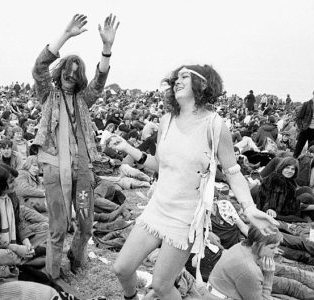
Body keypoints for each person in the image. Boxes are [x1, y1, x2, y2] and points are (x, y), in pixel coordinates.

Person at [109, 64, 277, 300]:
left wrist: (250, 209)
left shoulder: (215, 125)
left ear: (203, 84)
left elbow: (233, 172)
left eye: (184, 77)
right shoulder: (165, 120)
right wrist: (128, 148)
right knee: (122, 268)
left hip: (186, 218)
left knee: (161, 285)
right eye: (176, 78)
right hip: (158, 208)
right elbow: (161, 164)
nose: (177, 81)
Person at [31, 14, 119, 281]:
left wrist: (106, 49)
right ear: (61, 72)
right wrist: (66, 35)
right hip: (55, 171)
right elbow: (39, 68)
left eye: (75, 72)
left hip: (82, 172)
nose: (70, 75)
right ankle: (53, 277)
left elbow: (100, 81)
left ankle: (76, 261)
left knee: (84, 224)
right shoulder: (48, 93)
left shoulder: (84, 99)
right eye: (67, 70)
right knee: (58, 228)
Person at [207, 225, 282, 299]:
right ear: (256, 244)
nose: (276, 251)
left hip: (215, 290)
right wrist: (268, 276)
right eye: (272, 247)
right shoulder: (250, 269)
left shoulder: (242, 245)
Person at [293, 86, 314, 158]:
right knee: (299, 148)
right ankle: (293, 163)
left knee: (312, 150)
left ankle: (309, 164)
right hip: (306, 129)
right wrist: (301, 127)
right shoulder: (306, 104)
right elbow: (298, 117)